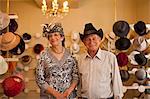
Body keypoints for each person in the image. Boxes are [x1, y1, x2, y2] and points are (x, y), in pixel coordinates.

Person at [78, 23, 123, 99]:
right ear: (84, 43)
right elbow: (79, 81)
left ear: (100, 40)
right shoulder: (80, 59)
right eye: (88, 39)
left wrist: (118, 97)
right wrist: (78, 96)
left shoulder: (110, 57)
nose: (91, 42)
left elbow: (116, 80)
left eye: (94, 38)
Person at [35, 23, 79, 99]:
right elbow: (40, 79)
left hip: (69, 96)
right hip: (50, 96)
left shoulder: (71, 54)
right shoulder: (43, 55)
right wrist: (57, 95)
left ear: (62, 37)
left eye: (56, 35)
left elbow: (76, 76)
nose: (53, 37)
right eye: (50, 36)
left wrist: (68, 92)